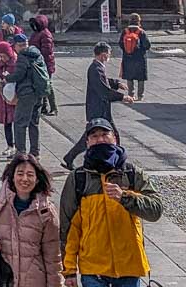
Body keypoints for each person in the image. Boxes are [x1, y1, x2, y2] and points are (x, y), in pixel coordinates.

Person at [59, 118, 162, 287]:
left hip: (129, 266)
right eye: (94, 136)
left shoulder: (131, 173)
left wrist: (125, 197)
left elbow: (155, 210)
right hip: (93, 269)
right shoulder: (78, 178)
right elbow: (68, 226)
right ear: (87, 143)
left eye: (104, 134)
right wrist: (69, 270)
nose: (100, 139)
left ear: (115, 138)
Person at [0, 153, 62, 287]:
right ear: (12, 177)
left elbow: (53, 258)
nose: (24, 179)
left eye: (30, 175)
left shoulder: (46, 212)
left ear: (37, 179)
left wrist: (56, 284)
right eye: (20, 173)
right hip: (2, 278)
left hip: (34, 280)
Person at [63, 43, 134, 170]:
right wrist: (122, 97)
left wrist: (116, 84)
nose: (110, 56)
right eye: (109, 53)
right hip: (98, 109)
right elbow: (103, 89)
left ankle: (70, 157)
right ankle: (116, 159)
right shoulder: (95, 68)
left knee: (91, 136)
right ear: (103, 54)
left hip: (99, 108)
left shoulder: (98, 67)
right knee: (109, 135)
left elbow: (104, 81)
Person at [4, 32, 49, 158]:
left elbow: (19, 75)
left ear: (19, 46)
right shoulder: (37, 54)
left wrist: (8, 77)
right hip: (38, 93)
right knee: (34, 123)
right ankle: (35, 152)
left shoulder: (23, 57)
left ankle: (21, 152)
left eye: (15, 46)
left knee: (20, 123)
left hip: (26, 94)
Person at [0, 39, 18, 157]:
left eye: (3, 56)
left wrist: (9, 80)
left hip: (15, 97)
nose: (1, 58)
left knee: (16, 122)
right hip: (3, 96)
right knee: (7, 122)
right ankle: (9, 145)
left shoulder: (16, 62)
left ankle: (18, 146)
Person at [30, 14, 58, 116]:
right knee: (41, 86)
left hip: (45, 64)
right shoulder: (36, 33)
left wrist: (35, 55)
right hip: (38, 64)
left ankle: (54, 108)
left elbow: (46, 51)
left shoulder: (46, 34)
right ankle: (44, 107)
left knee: (47, 86)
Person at [118, 13, 151, 101]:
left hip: (128, 57)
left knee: (130, 77)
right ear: (139, 21)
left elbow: (121, 44)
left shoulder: (125, 31)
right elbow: (147, 45)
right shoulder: (141, 32)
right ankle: (140, 96)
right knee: (141, 77)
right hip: (140, 57)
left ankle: (131, 94)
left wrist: (127, 50)